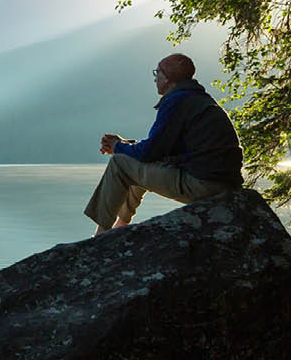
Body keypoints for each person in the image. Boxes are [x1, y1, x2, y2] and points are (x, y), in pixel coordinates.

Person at [85, 52, 243, 235]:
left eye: (157, 73)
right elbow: (163, 148)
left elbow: (151, 152)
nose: (155, 79)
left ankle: (101, 235)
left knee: (119, 163)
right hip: (222, 183)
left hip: (204, 186)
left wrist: (118, 148)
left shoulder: (177, 101)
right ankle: (121, 225)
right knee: (133, 162)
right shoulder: (195, 98)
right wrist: (125, 145)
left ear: (168, 78)